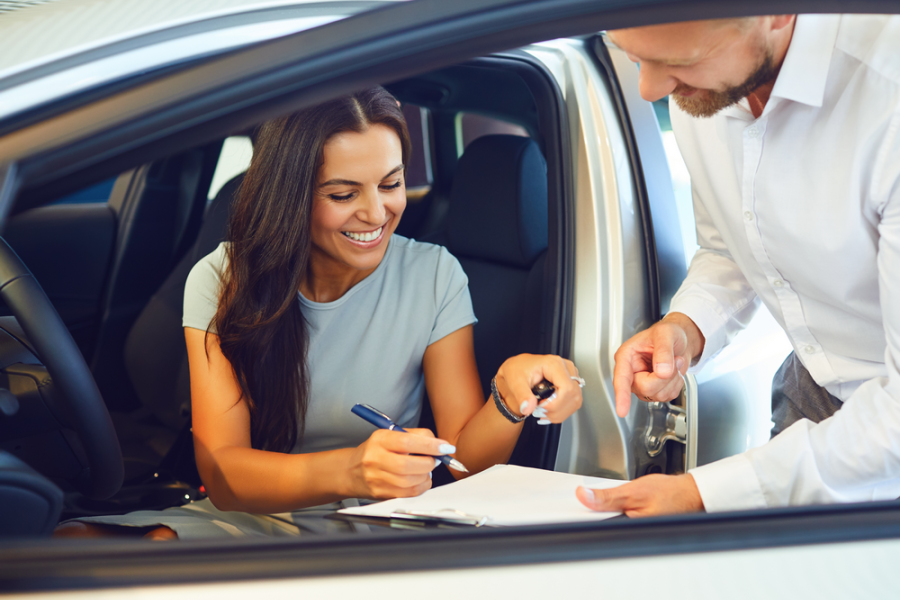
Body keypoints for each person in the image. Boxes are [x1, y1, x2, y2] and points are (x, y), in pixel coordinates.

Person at [56, 87, 583, 539]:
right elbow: (225, 476)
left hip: (377, 524)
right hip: (252, 514)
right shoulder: (223, 278)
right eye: (343, 193)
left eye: (391, 184)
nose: (376, 213)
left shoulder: (434, 274)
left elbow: (465, 466)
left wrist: (508, 399)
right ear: (291, 197)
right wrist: (351, 469)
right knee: (71, 543)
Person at [576, 14, 900, 516]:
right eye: (635, 59)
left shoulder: (887, 100)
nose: (650, 90)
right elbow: (729, 248)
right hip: (810, 392)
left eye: (678, 61)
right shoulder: (700, 91)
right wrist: (686, 327)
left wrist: (702, 494)